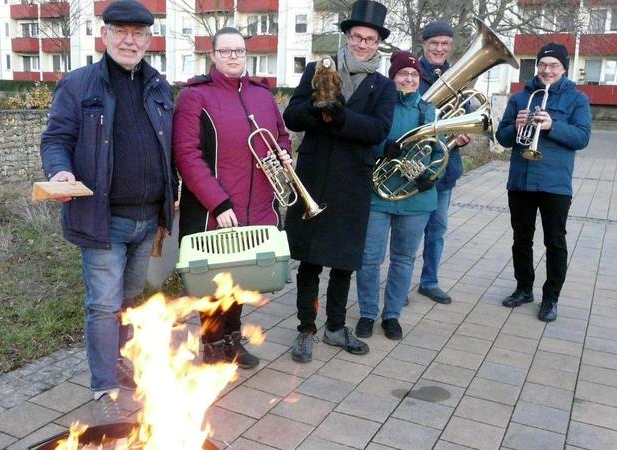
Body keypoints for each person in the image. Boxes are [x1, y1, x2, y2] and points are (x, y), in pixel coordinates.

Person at [40, 0, 177, 419]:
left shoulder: (158, 86)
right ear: (105, 35)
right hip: (103, 219)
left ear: (149, 40)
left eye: (138, 33)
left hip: (147, 218)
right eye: (120, 32)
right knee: (103, 303)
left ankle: (121, 361)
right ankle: (103, 384)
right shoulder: (79, 84)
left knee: (130, 298)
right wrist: (60, 172)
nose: (129, 40)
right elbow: (56, 139)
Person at [173, 27, 292, 370]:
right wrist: (218, 202)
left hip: (257, 204)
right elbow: (186, 155)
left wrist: (282, 152)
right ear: (212, 55)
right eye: (225, 51)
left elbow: (281, 137)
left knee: (241, 277)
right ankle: (211, 343)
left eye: (238, 51)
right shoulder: (196, 96)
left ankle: (232, 339)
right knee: (213, 279)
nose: (233, 57)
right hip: (216, 208)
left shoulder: (262, 95)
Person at [283, 0, 396, 363]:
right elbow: (292, 116)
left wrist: (342, 117)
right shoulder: (318, 69)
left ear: (378, 42)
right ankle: (306, 329)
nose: (363, 44)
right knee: (311, 260)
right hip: (314, 178)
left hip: (352, 181)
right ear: (347, 37)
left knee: (344, 261)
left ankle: (334, 326)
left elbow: (378, 130)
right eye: (357, 37)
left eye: (370, 39)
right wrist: (315, 114)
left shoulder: (383, 85)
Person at [495, 42, 591, 322]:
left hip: (555, 183)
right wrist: (517, 127)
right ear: (537, 66)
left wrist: (552, 125)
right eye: (543, 65)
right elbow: (501, 138)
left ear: (564, 68)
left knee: (555, 242)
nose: (547, 71)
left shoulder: (577, 99)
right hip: (521, 181)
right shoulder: (519, 98)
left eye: (554, 66)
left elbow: (582, 138)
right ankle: (524, 288)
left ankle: (551, 299)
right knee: (521, 239)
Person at [355, 51, 444, 340]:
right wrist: (383, 148)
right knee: (369, 258)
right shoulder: (380, 106)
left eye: (414, 75)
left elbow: (440, 150)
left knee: (404, 259)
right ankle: (368, 313)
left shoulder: (429, 111)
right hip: (378, 195)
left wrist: (430, 176)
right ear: (392, 78)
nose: (408, 78)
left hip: (415, 199)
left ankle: (391, 315)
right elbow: (363, 141)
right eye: (402, 74)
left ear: (420, 80)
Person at [415, 21, 472, 305]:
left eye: (445, 44)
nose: (439, 49)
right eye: (434, 43)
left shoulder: (460, 76)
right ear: (424, 45)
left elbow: (470, 115)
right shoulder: (410, 73)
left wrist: (465, 133)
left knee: (436, 231)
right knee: (409, 233)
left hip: (445, 167)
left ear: (451, 47)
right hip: (415, 167)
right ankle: (400, 285)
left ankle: (429, 281)